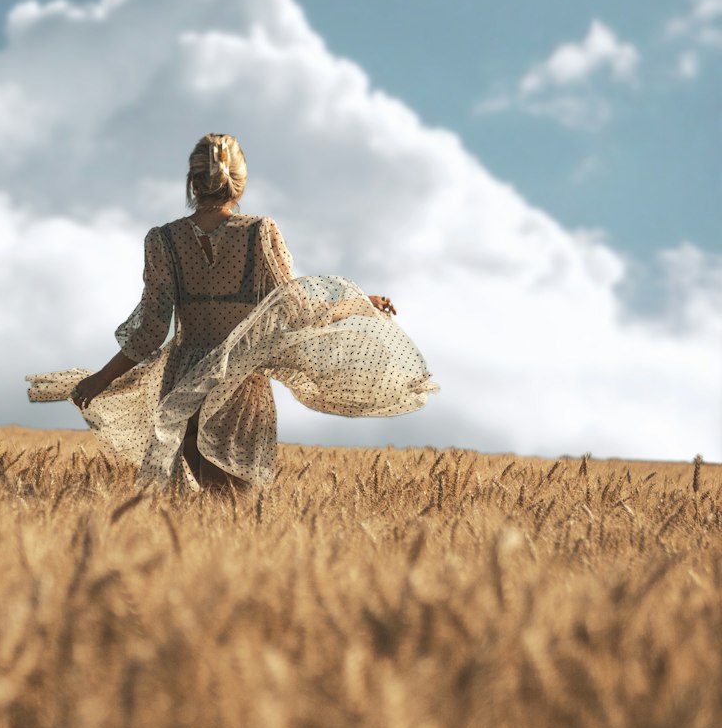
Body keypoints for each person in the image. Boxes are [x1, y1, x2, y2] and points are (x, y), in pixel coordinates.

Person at [26, 133, 438, 492]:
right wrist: (360, 305)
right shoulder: (259, 233)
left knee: (199, 512)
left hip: (182, 387)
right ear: (239, 182)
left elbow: (151, 331)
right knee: (235, 514)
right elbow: (296, 311)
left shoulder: (163, 240)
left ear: (192, 182)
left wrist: (100, 379)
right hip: (239, 385)